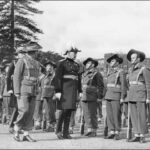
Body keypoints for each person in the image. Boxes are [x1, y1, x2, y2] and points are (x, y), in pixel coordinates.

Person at [13, 42, 40, 142]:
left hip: (33, 89)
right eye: (35, 51)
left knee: (30, 112)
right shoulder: (22, 61)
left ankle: (26, 134)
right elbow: (16, 76)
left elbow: (37, 78)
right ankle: (16, 130)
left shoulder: (36, 63)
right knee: (24, 110)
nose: (36, 53)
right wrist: (16, 91)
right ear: (31, 51)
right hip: (23, 88)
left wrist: (37, 89)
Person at [55, 47, 82, 139]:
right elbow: (58, 78)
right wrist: (58, 91)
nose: (75, 54)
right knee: (63, 111)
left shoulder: (76, 65)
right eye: (73, 52)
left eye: (75, 52)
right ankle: (58, 131)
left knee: (69, 112)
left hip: (73, 91)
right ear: (67, 53)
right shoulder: (61, 63)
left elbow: (79, 79)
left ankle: (66, 133)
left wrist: (80, 90)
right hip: (64, 90)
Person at [126, 49, 150, 143]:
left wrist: (148, 97)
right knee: (134, 116)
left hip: (141, 94)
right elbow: (129, 83)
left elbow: (148, 84)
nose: (132, 60)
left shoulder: (144, 69)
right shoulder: (130, 70)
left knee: (141, 115)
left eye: (134, 58)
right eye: (131, 58)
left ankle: (142, 135)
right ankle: (137, 134)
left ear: (139, 59)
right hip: (132, 95)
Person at [105, 54, 127, 140]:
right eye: (110, 61)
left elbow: (123, 86)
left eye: (113, 61)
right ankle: (112, 132)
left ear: (117, 63)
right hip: (108, 95)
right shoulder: (109, 72)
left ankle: (117, 132)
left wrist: (122, 97)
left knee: (116, 114)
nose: (111, 62)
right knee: (109, 115)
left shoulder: (121, 72)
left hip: (116, 95)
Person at [81, 57, 104, 137]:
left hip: (92, 96)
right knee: (86, 114)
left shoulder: (97, 74)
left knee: (93, 114)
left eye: (88, 63)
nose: (87, 65)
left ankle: (94, 130)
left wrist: (99, 97)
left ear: (93, 65)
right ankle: (89, 129)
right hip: (84, 96)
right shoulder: (84, 73)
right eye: (86, 63)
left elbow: (101, 86)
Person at [7, 49, 26, 133]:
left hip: (24, 88)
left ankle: (18, 127)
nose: (22, 55)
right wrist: (9, 89)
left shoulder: (26, 63)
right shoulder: (14, 63)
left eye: (23, 53)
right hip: (15, 89)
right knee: (16, 108)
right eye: (21, 53)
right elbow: (8, 77)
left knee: (22, 108)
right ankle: (11, 126)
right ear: (17, 55)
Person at [40, 60, 56, 132]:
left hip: (52, 95)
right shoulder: (44, 76)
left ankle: (52, 125)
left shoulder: (55, 75)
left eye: (50, 67)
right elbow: (41, 85)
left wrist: (55, 94)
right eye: (47, 67)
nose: (48, 68)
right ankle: (50, 124)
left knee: (51, 111)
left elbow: (57, 85)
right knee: (46, 111)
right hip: (45, 95)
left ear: (53, 68)